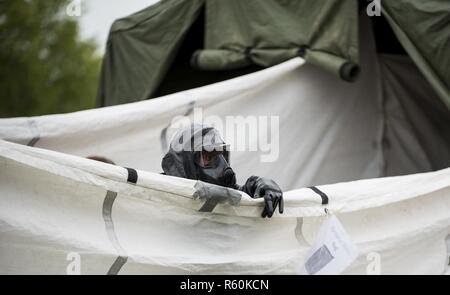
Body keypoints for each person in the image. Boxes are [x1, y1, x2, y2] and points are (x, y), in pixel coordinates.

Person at [161, 124, 283, 218]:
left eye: (222, 155)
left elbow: (241, 195)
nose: (224, 167)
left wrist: (259, 185)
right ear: (183, 166)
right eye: (208, 157)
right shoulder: (156, 199)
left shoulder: (227, 198)